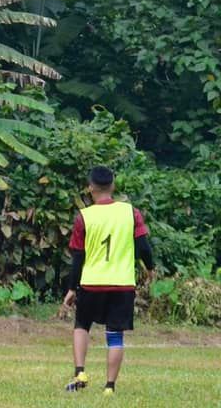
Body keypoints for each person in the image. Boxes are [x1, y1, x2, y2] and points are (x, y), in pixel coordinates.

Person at [61, 166, 155, 396]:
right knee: (115, 334)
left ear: (90, 187)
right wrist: (150, 268)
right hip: (122, 284)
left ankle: (80, 372)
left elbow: (78, 258)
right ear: (112, 185)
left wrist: (72, 288)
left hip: (92, 282)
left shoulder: (84, 216)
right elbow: (143, 246)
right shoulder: (130, 212)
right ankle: (109, 387)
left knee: (81, 326)